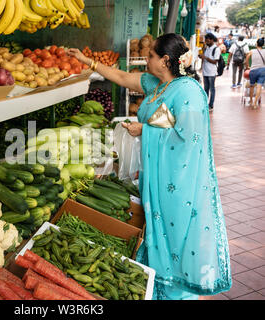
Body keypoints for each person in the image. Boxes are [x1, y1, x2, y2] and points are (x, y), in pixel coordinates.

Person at [68, 33, 232, 300]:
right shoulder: (157, 85)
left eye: (151, 55)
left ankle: (176, 290)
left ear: (165, 60)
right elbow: (121, 77)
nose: (146, 58)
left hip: (178, 182)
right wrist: (87, 61)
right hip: (154, 174)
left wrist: (145, 130)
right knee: (158, 231)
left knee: (176, 234)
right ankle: (158, 282)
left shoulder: (188, 91)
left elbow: (190, 140)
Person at [199, 33, 221, 111]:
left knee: (212, 89)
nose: (206, 41)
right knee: (205, 89)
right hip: (205, 71)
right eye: (206, 40)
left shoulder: (216, 49)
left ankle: (211, 105)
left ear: (212, 40)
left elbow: (215, 61)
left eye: (208, 40)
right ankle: (205, 104)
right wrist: (201, 66)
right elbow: (204, 59)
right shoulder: (206, 48)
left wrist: (205, 57)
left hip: (212, 72)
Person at [245, 38, 265, 107]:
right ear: (263, 44)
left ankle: (251, 100)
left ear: (256, 44)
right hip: (262, 70)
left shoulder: (252, 51)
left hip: (253, 70)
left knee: (252, 86)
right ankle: (255, 103)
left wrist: (247, 66)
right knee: (259, 87)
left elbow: (247, 58)